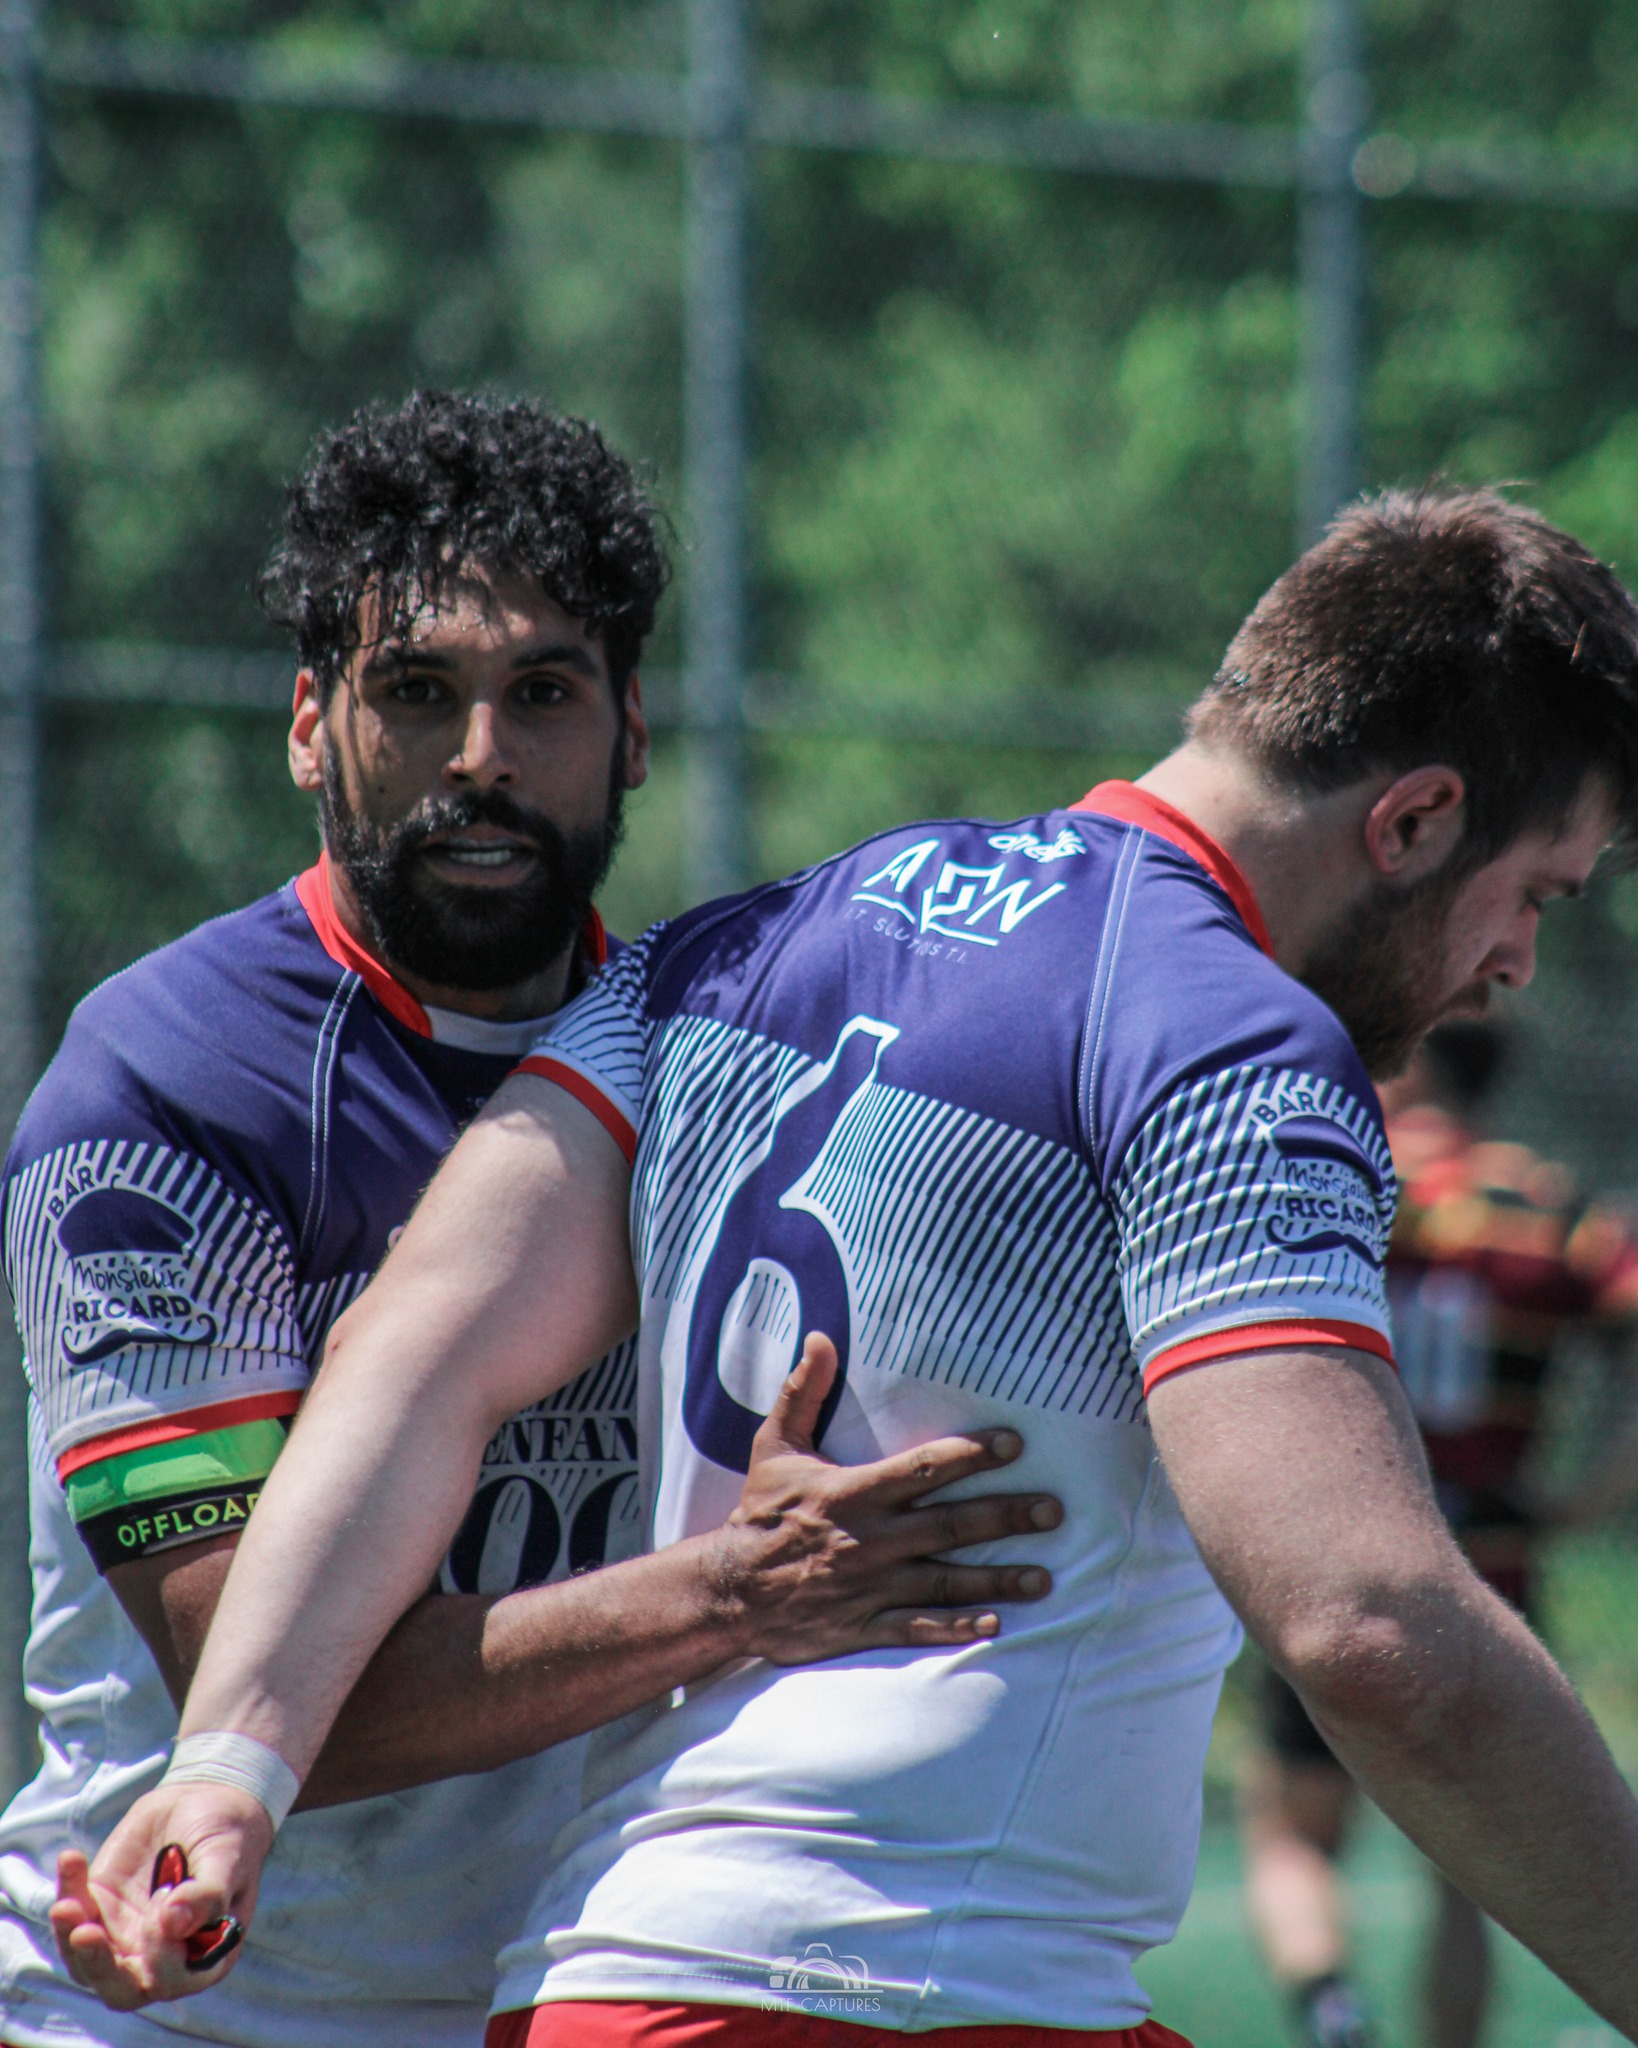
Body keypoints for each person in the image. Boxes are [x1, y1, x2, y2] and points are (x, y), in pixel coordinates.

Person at [60, 488, 1638, 2046]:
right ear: (1415, 818)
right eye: (1534, 896)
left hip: (598, 1981)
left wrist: (227, 1770)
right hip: (921, 1995)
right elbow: (1367, 1624)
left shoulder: (731, 950)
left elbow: (420, 1347)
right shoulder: (1226, 1044)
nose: (1512, 967)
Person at [0, 390, 1056, 2048]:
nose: (480, 756)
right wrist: (735, 1589)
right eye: (416, 692)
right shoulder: (167, 1085)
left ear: (630, 731)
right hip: (185, 2001)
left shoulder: (725, 1061)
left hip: (566, 1992)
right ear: (307, 724)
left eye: (541, 693)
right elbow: (265, 1688)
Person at [1240, 1017, 1638, 2048]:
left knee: (1290, 1829)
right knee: (1468, 1870)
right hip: (1492, 1565)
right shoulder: (1550, 1208)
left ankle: (1333, 2012)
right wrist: (1585, 1494)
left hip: (1327, 1552)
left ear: (1407, 1060)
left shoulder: (1336, 1177)